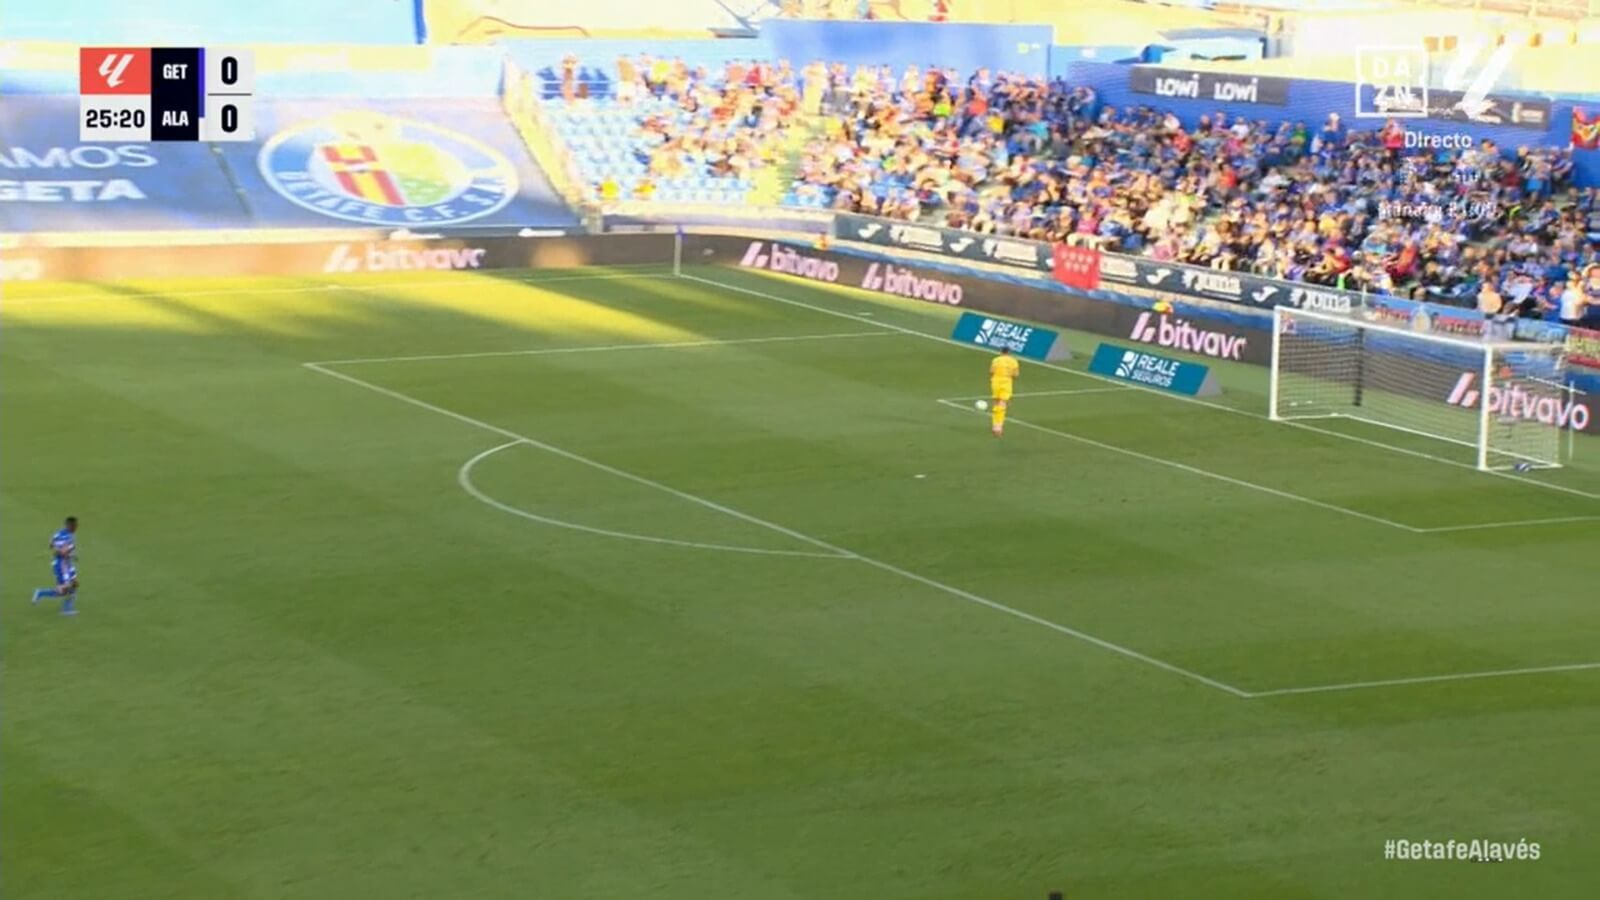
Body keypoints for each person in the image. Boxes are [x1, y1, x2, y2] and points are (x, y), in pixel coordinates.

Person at [32, 516, 79, 615]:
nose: (76, 527)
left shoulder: (60, 533)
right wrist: (69, 554)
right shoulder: (66, 537)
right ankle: (42, 593)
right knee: (65, 588)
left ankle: (67, 606)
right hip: (62, 564)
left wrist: (58, 548)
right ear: (70, 526)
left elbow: (50, 543)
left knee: (75, 583)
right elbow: (63, 553)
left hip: (67, 563)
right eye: (75, 525)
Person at [989, 348, 1019, 437]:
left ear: (1001, 352)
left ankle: (995, 425)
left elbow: (991, 371)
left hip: (995, 381)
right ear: (1009, 353)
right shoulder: (1013, 361)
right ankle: (998, 427)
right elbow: (1016, 375)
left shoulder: (996, 360)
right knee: (1003, 403)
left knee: (996, 402)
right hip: (1006, 382)